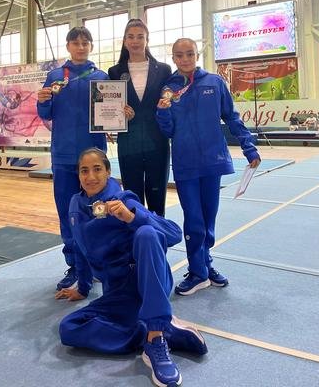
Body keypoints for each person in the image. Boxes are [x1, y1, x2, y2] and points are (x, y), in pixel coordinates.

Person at [57, 148, 207, 387]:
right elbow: (80, 248)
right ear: (78, 175)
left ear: (108, 172)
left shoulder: (124, 199)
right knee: (68, 328)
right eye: (84, 171)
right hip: (117, 292)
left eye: (97, 169)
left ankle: (156, 339)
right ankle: (157, 331)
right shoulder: (76, 205)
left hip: (149, 282)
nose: (91, 176)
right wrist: (83, 288)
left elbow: (173, 233)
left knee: (146, 233)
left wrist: (132, 217)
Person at [156, 38, 261, 296]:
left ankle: (205, 264)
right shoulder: (168, 89)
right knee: (194, 219)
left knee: (208, 219)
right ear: (173, 58)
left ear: (196, 54)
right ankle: (197, 271)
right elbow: (167, 130)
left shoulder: (215, 83)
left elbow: (232, 117)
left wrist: (249, 147)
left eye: (189, 54)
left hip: (213, 162)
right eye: (179, 55)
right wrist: (162, 112)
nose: (185, 59)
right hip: (186, 164)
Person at [37, 27, 108, 291]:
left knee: (97, 211)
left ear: (91, 46)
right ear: (68, 46)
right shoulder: (55, 76)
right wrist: (42, 100)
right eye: (75, 43)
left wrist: (120, 113)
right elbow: (46, 113)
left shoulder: (102, 77)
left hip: (94, 157)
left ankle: (97, 263)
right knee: (68, 213)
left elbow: (110, 115)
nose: (80, 47)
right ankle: (75, 266)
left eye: (85, 43)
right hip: (64, 156)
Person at [108, 19, 172, 216]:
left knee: (157, 197)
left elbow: (169, 101)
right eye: (131, 37)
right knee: (132, 197)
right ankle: (135, 234)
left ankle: (157, 233)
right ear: (124, 41)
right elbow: (109, 104)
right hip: (129, 142)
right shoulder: (115, 71)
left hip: (157, 141)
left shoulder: (164, 70)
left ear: (147, 40)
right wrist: (119, 112)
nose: (135, 41)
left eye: (140, 37)